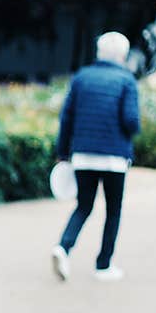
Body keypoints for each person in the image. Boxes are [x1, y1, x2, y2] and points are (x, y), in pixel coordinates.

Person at [52, 32, 141, 283]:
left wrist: (62, 153)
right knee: (113, 210)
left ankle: (63, 247)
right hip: (114, 157)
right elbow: (131, 120)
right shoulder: (127, 80)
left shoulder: (81, 78)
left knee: (83, 205)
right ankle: (104, 265)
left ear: (99, 52)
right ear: (123, 55)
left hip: (83, 155)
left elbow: (66, 118)